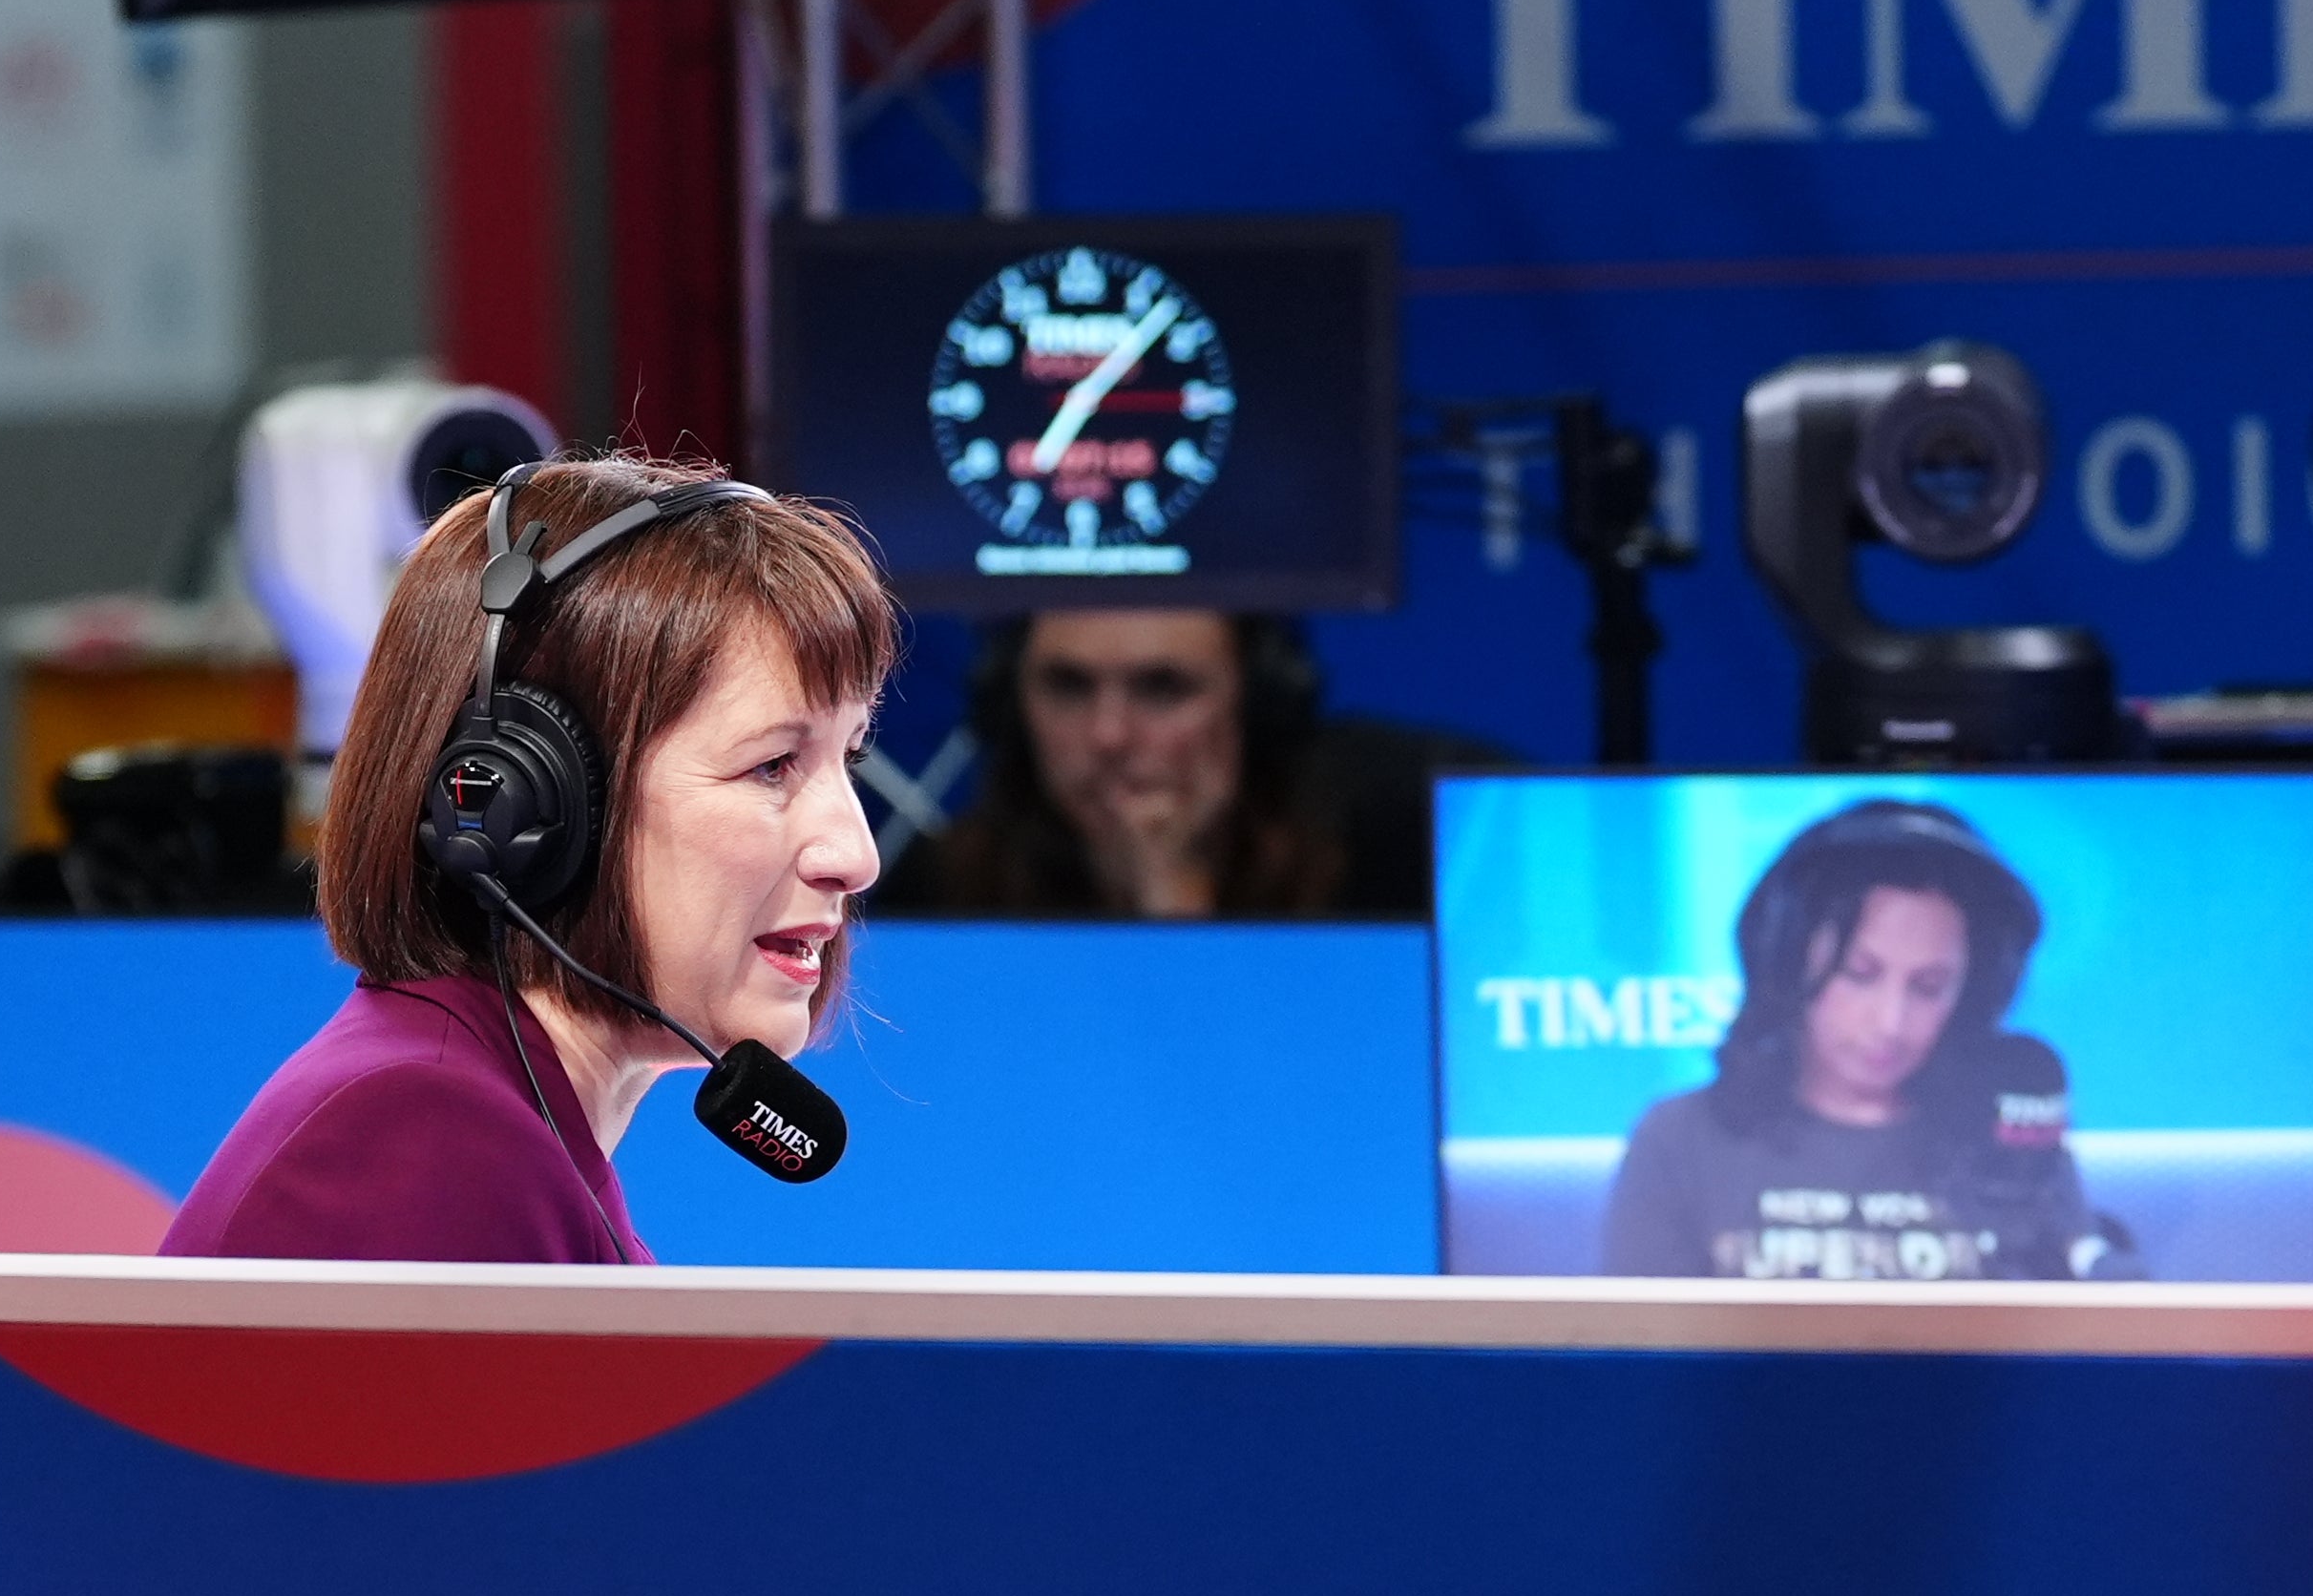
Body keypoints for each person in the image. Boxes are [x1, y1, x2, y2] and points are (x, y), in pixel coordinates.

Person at [158, 456, 897, 1264]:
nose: (854, 857)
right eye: (772, 765)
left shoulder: (502, 1129)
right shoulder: (424, 1144)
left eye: (848, 759)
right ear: (529, 797)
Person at [1598, 799, 2132, 1281]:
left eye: (1929, 987)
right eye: (1859, 974)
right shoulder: (1681, 1140)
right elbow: (1647, 1367)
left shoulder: (2006, 1142)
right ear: (1787, 959)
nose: (1890, 1022)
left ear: (1974, 991)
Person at [876, 610, 1480, 918]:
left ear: (1254, 704)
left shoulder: (1397, 873)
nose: (1109, 735)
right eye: (1067, 685)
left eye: (1163, 688)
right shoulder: (941, 889)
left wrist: (1173, 897)